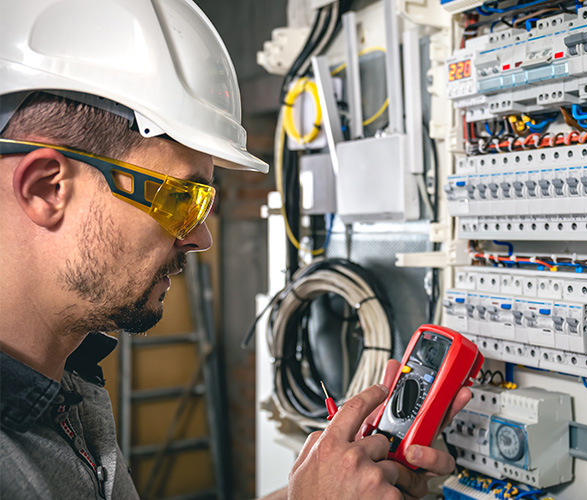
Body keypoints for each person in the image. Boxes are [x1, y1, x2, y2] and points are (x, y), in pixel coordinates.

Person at [0, 1, 469, 499]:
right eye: (181, 198)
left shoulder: (68, 383)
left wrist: (321, 489)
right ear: (48, 189)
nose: (200, 237)